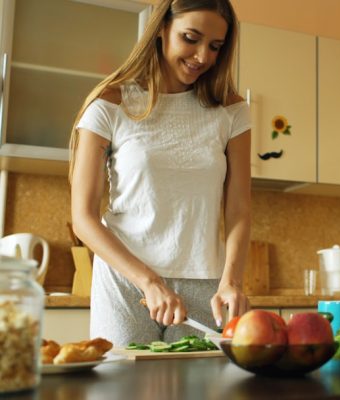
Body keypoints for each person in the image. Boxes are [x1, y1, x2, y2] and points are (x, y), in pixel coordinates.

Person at [69, 0, 251, 346]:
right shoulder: (111, 103)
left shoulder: (232, 111)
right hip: (126, 283)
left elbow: (239, 210)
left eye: (215, 46)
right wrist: (149, 281)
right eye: (190, 38)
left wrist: (233, 281)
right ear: (162, 29)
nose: (202, 57)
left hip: (205, 285)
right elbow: (83, 217)